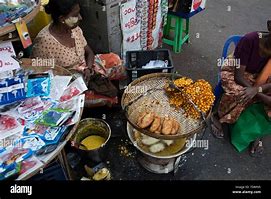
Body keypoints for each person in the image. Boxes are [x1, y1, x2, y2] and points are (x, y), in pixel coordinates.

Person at [211, 30, 271, 156]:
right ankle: (217, 116)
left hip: (257, 78)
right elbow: (238, 76)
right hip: (234, 71)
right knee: (241, 94)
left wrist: (256, 91)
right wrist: (257, 93)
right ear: (269, 25)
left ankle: (256, 133)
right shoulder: (250, 40)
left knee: (260, 99)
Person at [31, 0, 94, 83]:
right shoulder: (44, 43)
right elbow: (38, 73)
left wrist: (88, 69)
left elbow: (89, 52)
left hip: (86, 71)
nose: (80, 18)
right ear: (62, 19)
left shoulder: (75, 29)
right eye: (75, 15)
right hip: (66, 82)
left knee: (115, 60)